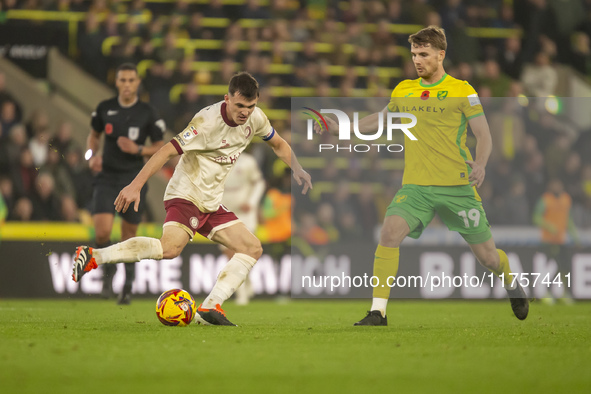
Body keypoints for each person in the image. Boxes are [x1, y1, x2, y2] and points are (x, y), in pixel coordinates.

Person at [320, 26, 529, 326]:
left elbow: (483, 134)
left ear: (441, 55)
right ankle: (378, 312)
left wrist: (480, 163)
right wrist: (345, 127)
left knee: (489, 259)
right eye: (414, 54)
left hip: (457, 186)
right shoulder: (404, 89)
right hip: (416, 187)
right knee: (389, 233)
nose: (417, 60)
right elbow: (381, 118)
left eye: (424, 54)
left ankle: (509, 278)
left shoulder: (462, 90)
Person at [73, 72, 312, 326]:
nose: (245, 112)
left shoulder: (257, 119)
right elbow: (166, 150)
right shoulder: (206, 122)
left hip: (210, 200)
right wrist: (135, 185)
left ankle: (210, 308)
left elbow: (278, 145)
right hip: (186, 194)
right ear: (227, 99)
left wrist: (297, 167)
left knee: (251, 247)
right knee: (169, 249)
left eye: (250, 106)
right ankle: (94, 256)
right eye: (239, 105)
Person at [87, 63, 166, 305]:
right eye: (123, 80)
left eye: (131, 80)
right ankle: (106, 280)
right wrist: (91, 156)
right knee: (101, 231)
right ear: (117, 82)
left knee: (127, 236)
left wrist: (139, 149)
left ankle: (128, 286)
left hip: (133, 180)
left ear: (138, 82)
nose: (127, 85)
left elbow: (162, 147)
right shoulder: (104, 108)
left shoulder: (148, 113)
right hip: (107, 178)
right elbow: (94, 136)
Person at [220, 150, 266, 305]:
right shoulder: (217, 159)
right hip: (224, 208)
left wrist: (252, 202)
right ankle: (244, 285)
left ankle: (241, 293)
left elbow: (259, 183)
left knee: (244, 251)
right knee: (229, 252)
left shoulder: (247, 161)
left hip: (245, 211)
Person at [533, 178, 579, 304]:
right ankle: (547, 292)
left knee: (564, 268)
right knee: (551, 268)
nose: (557, 186)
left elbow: (568, 219)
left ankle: (564, 293)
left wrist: (575, 236)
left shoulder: (566, 199)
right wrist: (549, 226)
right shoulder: (545, 199)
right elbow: (536, 217)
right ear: (550, 186)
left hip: (561, 240)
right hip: (548, 240)